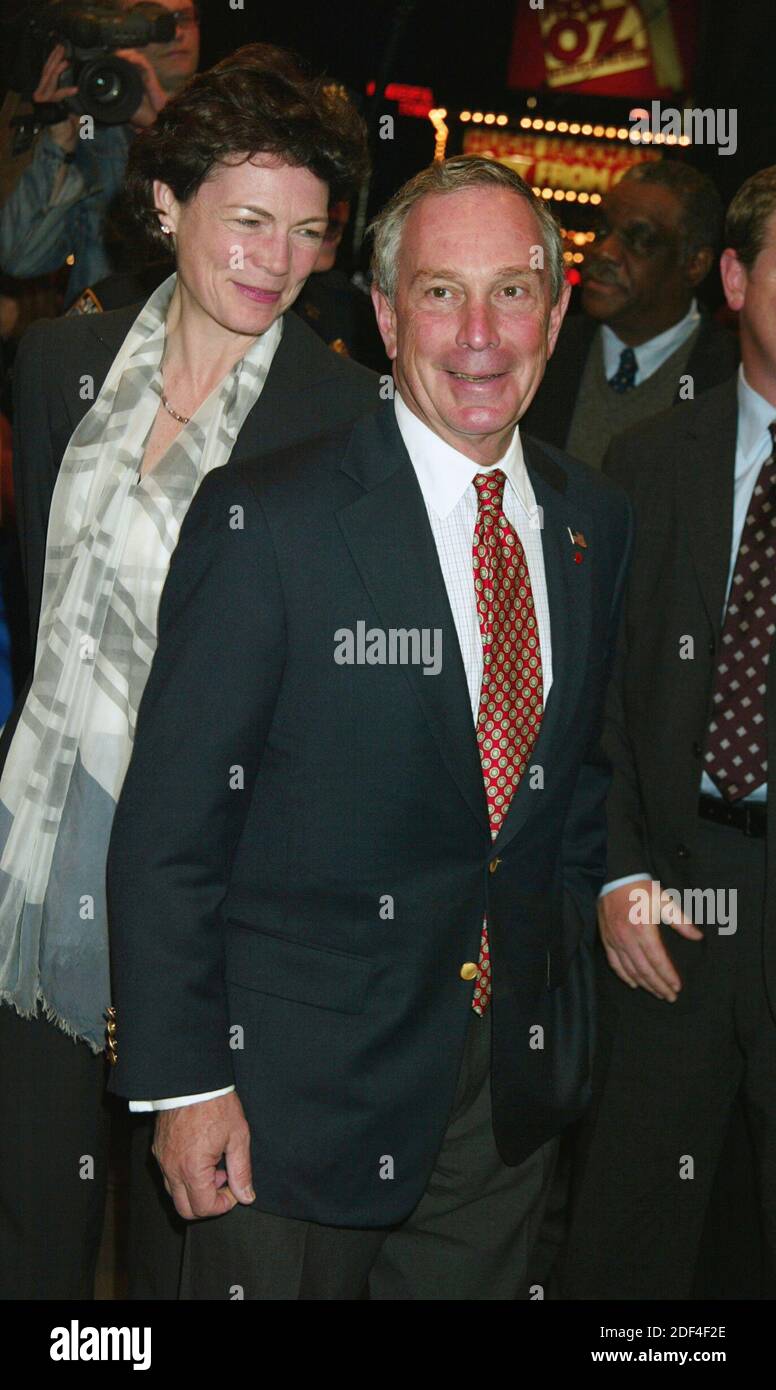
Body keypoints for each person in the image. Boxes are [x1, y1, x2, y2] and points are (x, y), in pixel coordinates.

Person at [106, 154, 633, 1301]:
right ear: (388, 317)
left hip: (498, 1114)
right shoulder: (271, 519)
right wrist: (186, 1080)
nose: (480, 333)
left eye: (513, 289)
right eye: (442, 293)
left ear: (553, 305)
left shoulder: (592, 521)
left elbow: (572, 788)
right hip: (286, 1111)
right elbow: (171, 827)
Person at [0, 41, 378, 1301]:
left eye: (309, 230)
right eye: (249, 218)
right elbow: (47, 618)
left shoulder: (340, 423)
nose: (277, 259)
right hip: (34, 874)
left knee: (184, 1264)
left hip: (213, 910)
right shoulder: (64, 367)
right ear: (165, 205)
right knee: (32, 1243)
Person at [561, 166, 776, 1300]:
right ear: (734, 279)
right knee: (625, 1245)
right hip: (669, 912)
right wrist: (617, 870)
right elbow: (592, 706)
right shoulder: (646, 465)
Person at [522, 161, 739, 468]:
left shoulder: (732, 376)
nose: (605, 252)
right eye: (602, 230)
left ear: (694, 264)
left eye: (639, 239)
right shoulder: (541, 349)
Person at [0, 0, 200, 306]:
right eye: (154, 19)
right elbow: (20, 257)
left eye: (183, 18)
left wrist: (161, 129)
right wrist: (60, 143)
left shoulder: (238, 119)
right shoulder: (92, 137)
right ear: (117, 32)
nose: (175, 32)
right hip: (107, 344)